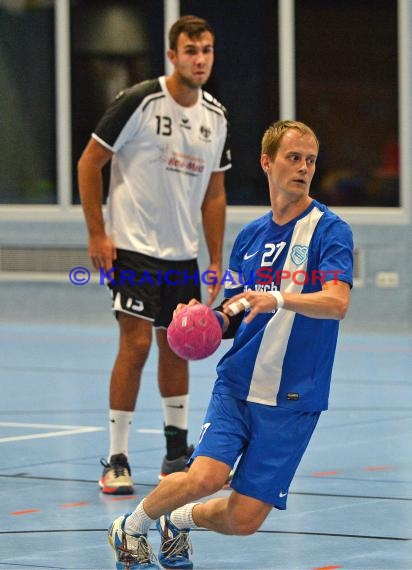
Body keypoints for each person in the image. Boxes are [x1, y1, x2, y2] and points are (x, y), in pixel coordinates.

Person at [107, 119, 354, 569]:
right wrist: (200, 320)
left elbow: (337, 302)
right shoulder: (250, 239)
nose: (303, 168)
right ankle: (131, 527)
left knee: (243, 519)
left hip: (295, 397)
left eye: (310, 160)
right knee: (204, 476)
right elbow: (234, 313)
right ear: (267, 162)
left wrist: (278, 297)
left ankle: (176, 521)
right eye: (293, 158)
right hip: (238, 385)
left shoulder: (330, 231)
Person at [77, 15, 231, 495]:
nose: (200, 59)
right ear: (173, 55)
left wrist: (214, 258)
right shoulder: (140, 102)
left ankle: (175, 451)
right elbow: (89, 162)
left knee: (177, 345)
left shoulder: (216, 117)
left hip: (181, 256)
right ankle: (117, 457)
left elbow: (214, 193)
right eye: (191, 50)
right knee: (137, 344)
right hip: (132, 248)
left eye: (206, 50)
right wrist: (98, 235)